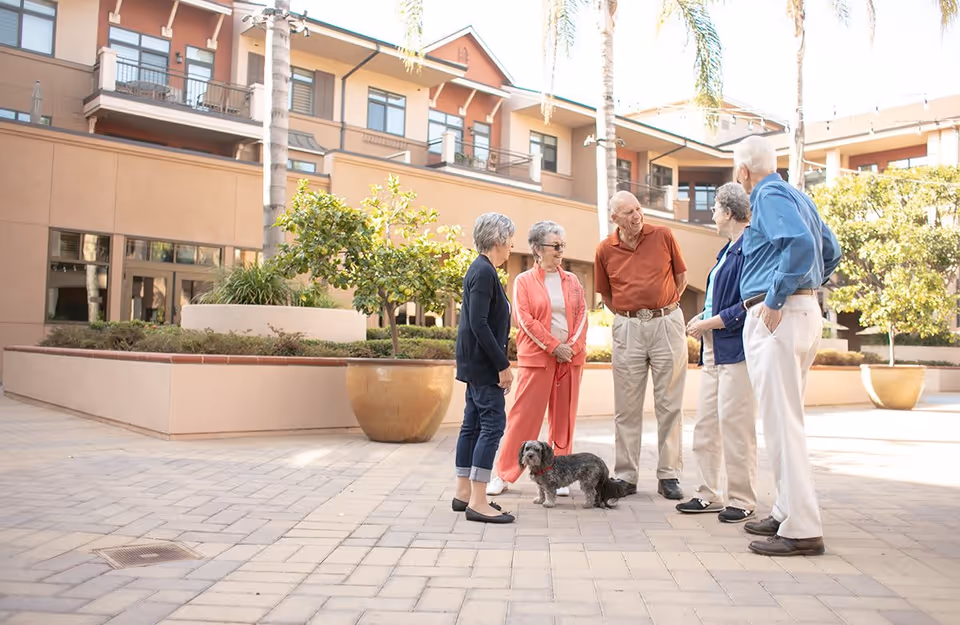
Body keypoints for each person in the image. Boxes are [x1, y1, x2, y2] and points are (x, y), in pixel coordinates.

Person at [733, 135, 841, 556]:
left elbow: (800, 245)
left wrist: (779, 296)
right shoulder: (796, 196)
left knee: (783, 423)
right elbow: (829, 250)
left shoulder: (767, 195)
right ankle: (785, 510)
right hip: (800, 312)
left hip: (777, 315)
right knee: (781, 421)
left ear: (744, 171)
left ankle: (801, 528)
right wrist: (805, 288)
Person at [595, 191, 689, 500]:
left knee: (669, 403)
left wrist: (660, 309)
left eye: (638, 209)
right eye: (629, 212)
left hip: (666, 323)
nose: (637, 216)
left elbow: (681, 277)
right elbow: (606, 295)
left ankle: (669, 474)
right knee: (626, 407)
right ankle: (626, 475)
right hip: (628, 327)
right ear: (615, 219)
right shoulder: (605, 250)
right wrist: (632, 317)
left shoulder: (662, 235)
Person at [487, 221, 588, 497]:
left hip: (570, 360)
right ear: (537, 248)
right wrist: (555, 346)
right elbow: (525, 320)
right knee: (522, 419)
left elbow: (582, 316)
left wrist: (572, 348)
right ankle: (504, 474)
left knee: (564, 419)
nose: (560, 252)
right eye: (555, 246)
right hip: (538, 358)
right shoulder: (523, 281)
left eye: (562, 246)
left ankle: (561, 474)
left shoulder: (573, 281)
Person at [677, 182, 758, 523]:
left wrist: (708, 324)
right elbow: (719, 301)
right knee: (706, 425)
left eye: (714, 208)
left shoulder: (750, 249)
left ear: (727, 212)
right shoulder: (726, 251)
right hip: (712, 353)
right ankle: (708, 492)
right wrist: (703, 318)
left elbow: (749, 303)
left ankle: (742, 499)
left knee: (736, 426)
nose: (711, 214)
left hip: (735, 352)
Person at [454, 212, 516, 524]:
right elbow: (479, 324)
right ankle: (479, 501)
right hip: (483, 366)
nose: (512, 247)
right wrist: (502, 365)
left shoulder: (480, 270)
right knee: (492, 426)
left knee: (472, 425)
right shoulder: (484, 272)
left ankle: (464, 492)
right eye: (510, 241)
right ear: (498, 240)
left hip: (474, 363)